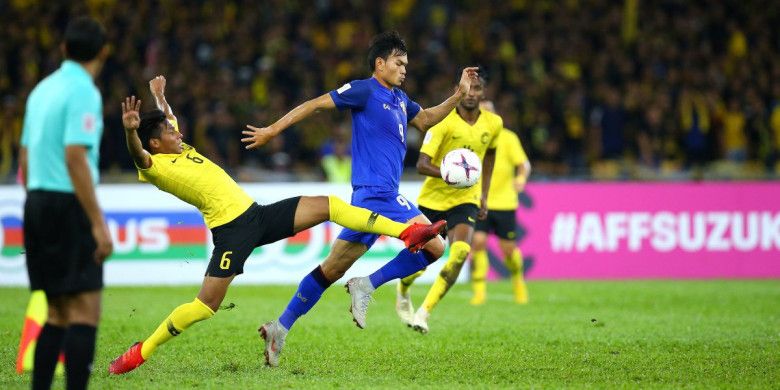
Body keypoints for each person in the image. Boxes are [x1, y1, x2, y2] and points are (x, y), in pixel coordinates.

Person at [108, 77, 445, 375]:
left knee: (328, 206)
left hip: (256, 216)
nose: (177, 132)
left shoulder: (181, 147)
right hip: (231, 233)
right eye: (169, 132)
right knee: (205, 306)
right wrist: (129, 130)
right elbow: (139, 153)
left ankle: (405, 232)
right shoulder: (154, 166)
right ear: (155, 143)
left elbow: (169, 119)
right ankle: (140, 353)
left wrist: (159, 96)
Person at [241, 31, 478, 366]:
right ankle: (367, 284)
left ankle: (280, 327)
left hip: (368, 203)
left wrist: (458, 95)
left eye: (406, 64)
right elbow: (315, 104)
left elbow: (425, 119)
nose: (404, 69)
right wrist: (272, 130)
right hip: (378, 195)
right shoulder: (364, 90)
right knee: (435, 246)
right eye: (398, 63)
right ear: (379, 63)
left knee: (330, 270)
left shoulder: (399, 99)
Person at [19, 16, 112, 390]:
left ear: (63, 49)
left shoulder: (41, 90)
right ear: (103, 53)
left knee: (56, 312)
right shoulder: (84, 92)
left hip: (37, 200)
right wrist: (96, 222)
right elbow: (75, 155)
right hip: (68, 201)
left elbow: (25, 155)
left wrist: (37, 205)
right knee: (85, 311)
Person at [393, 75, 500, 334]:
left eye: (478, 88)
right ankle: (404, 287)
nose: (473, 93)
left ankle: (424, 313)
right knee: (422, 260)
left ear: (483, 92)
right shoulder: (442, 123)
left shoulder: (493, 123)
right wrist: (451, 174)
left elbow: (490, 156)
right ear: (458, 90)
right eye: (468, 88)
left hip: (466, 200)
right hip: (433, 201)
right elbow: (421, 164)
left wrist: (483, 193)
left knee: (461, 252)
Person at [470, 100, 532, 305]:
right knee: (478, 242)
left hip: (505, 202)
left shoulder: (508, 138)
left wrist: (521, 178)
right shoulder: (472, 138)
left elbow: (523, 165)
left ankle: (518, 280)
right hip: (480, 201)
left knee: (508, 249)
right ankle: (479, 292)